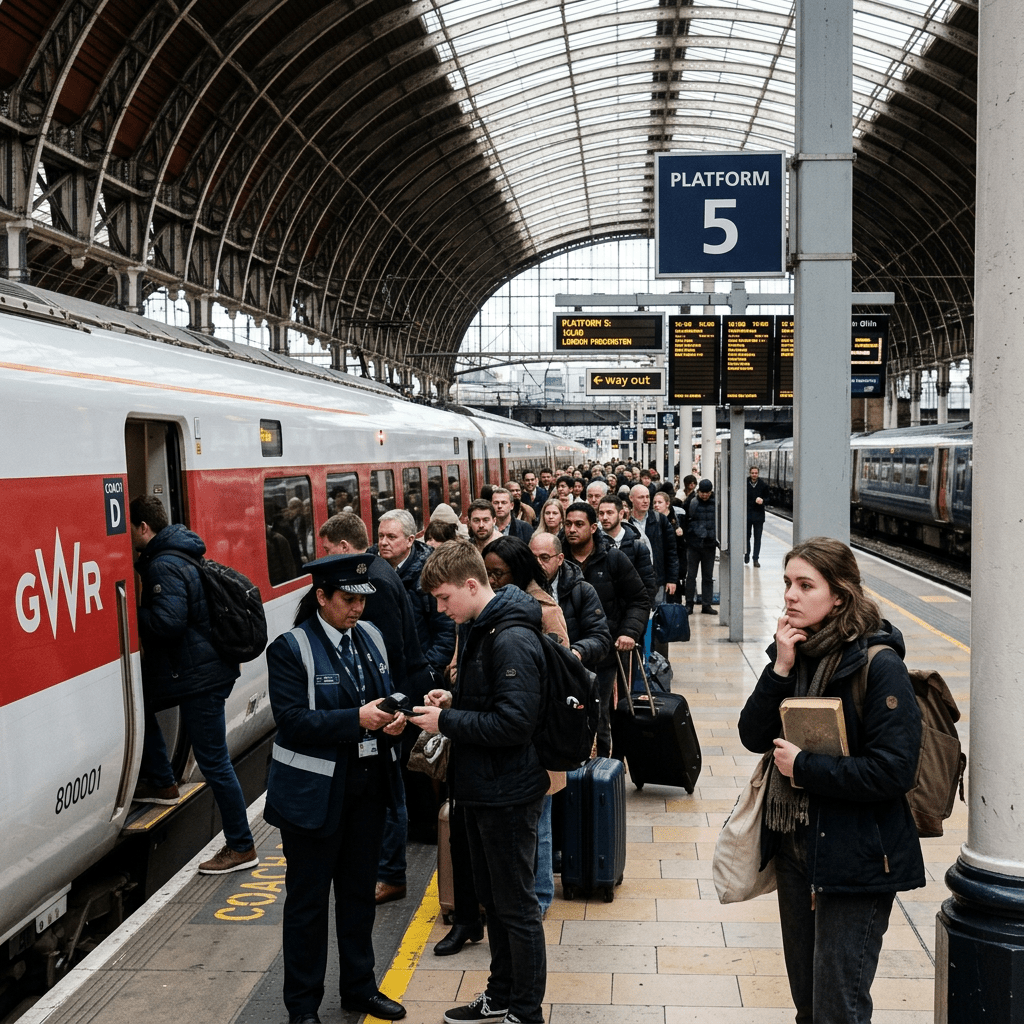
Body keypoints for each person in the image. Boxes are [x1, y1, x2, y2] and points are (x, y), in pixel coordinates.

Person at [737, 538, 924, 1024]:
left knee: (837, 1008)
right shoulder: (796, 654)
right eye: (787, 584)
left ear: (838, 595)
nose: (790, 597)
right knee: (808, 1004)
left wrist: (804, 768)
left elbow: (893, 770)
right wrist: (779, 668)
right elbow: (752, 733)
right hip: (798, 852)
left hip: (858, 859)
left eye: (805, 585)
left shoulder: (880, 667)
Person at [264, 553, 408, 1024]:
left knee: (357, 897)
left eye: (363, 600)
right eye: (347, 600)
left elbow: (388, 689)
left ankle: (359, 989)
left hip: (366, 791)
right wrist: (357, 719)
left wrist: (394, 721)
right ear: (321, 597)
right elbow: (291, 721)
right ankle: (302, 1008)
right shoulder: (291, 648)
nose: (357, 610)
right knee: (307, 907)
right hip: (312, 800)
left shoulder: (372, 637)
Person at [415, 541, 549, 1024]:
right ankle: (501, 994)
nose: (440, 608)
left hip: (507, 793)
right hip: (483, 788)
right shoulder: (480, 627)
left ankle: (525, 1011)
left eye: (445, 597)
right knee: (497, 902)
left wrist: (445, 723)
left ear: (473, 586)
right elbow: (491, 701)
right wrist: (453, 700)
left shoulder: (509, 637)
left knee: (516, 908)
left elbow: (514, 723)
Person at [128, 496, 258, 875]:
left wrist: (131, 618)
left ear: (143, 528)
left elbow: (169, 622)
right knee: (142, 706)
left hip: (200, 678)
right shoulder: (178, 551)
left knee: (215, 763)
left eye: (130, 529)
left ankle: (240, 846)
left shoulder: (164, 564)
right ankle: (164, 782)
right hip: (203, 671)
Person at [318, 512, 430, 904]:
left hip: (393, 699)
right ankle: (387, 870)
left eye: (329, 551)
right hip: (399, 692)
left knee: (390, 789)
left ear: (345, 549)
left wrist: (389, 706)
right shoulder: (380, 571)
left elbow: (386, 652)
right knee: (390, 786)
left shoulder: (375, 586)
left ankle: (390, 874)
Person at [482, 535, 571, 920]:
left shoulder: (544, 611)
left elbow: (563, 671)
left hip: (537, 736)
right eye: (486, 574)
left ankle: (539, 895)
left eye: (498, 573)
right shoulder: (484, 610)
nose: (492, 581)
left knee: (539, 821)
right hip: (497, 735)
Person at [561, 502, 650, 758]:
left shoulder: (613, 558)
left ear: (593, 527)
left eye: (579, 524)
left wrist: (629, 632)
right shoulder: (557, 558)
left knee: (602, 714)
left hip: (607, 654)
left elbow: (639, 599)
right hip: (568, 653)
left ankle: (605, 769)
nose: (571, 530)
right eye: (568, 524)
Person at [529, 533, 612, 670]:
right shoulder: (521, 588)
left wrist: (577, 651)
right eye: (533, 558)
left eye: (545, 558)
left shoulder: (581, 590)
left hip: (571, 669)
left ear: (560, 559)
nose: (538, 563)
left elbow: (600, 637)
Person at [597, 494, 657, 603]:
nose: (604, 517)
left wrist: (643, 610)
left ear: (621, 514)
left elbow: (647, 582)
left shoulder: (637, 545)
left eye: (609, 513)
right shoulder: (595, 545)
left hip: (632, 608)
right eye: (601, 513)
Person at [629, 484, 679, 604]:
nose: (646, 501)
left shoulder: (659, 520)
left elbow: (671, 551)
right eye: (641, 497)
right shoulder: (625, 523)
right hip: (632, 581)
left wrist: (672, 579)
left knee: (658, 617)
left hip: (657, 579)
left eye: (647, 497)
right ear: (631, 498)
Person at [683, 479, 718, 615]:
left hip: (709, 545)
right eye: (702, 493)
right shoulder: (691, 502)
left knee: (707, 576)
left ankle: (706, 604)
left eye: (707, 493)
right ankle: (689, 604)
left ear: (711, 492)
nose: (704, 495)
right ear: (698, 491)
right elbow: (685, 520)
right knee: (690, 575)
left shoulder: (716, 504)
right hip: (693, 545)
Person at [745, 465, 771, 567]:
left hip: (759, 516)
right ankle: (746, 554)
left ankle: (755, 559)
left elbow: (769, 499)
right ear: (750, 473)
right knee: (746, 537)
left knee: (757, 538)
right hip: (747, 516)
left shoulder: (763, 485)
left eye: (756, 473)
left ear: (758, 474)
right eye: (752, 473)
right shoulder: (745, 483)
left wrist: (763, 501)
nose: (754, 475)